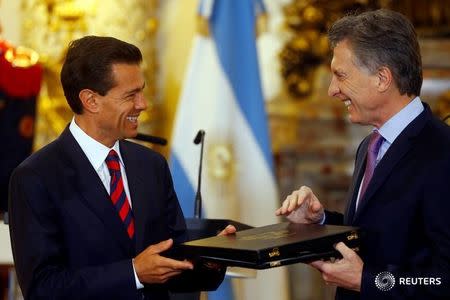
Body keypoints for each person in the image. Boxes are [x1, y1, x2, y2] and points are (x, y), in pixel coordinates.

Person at [8, 35, 235, 300]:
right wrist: (134, 273)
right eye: (131, 95)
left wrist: (215, 255)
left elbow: (173, 264)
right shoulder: (36, 177)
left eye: (142, 90)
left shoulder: (151, 165)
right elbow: (43, 288)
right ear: (90, 100)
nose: (143, 104)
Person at [276, 9, 450, 300]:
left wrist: (369, 281)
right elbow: (373, 235)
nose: (333, 90)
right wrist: (319, 222)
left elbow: (442, 280)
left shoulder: (442, 152)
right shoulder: (370, 145)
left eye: (340, 76)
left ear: (382, 78)